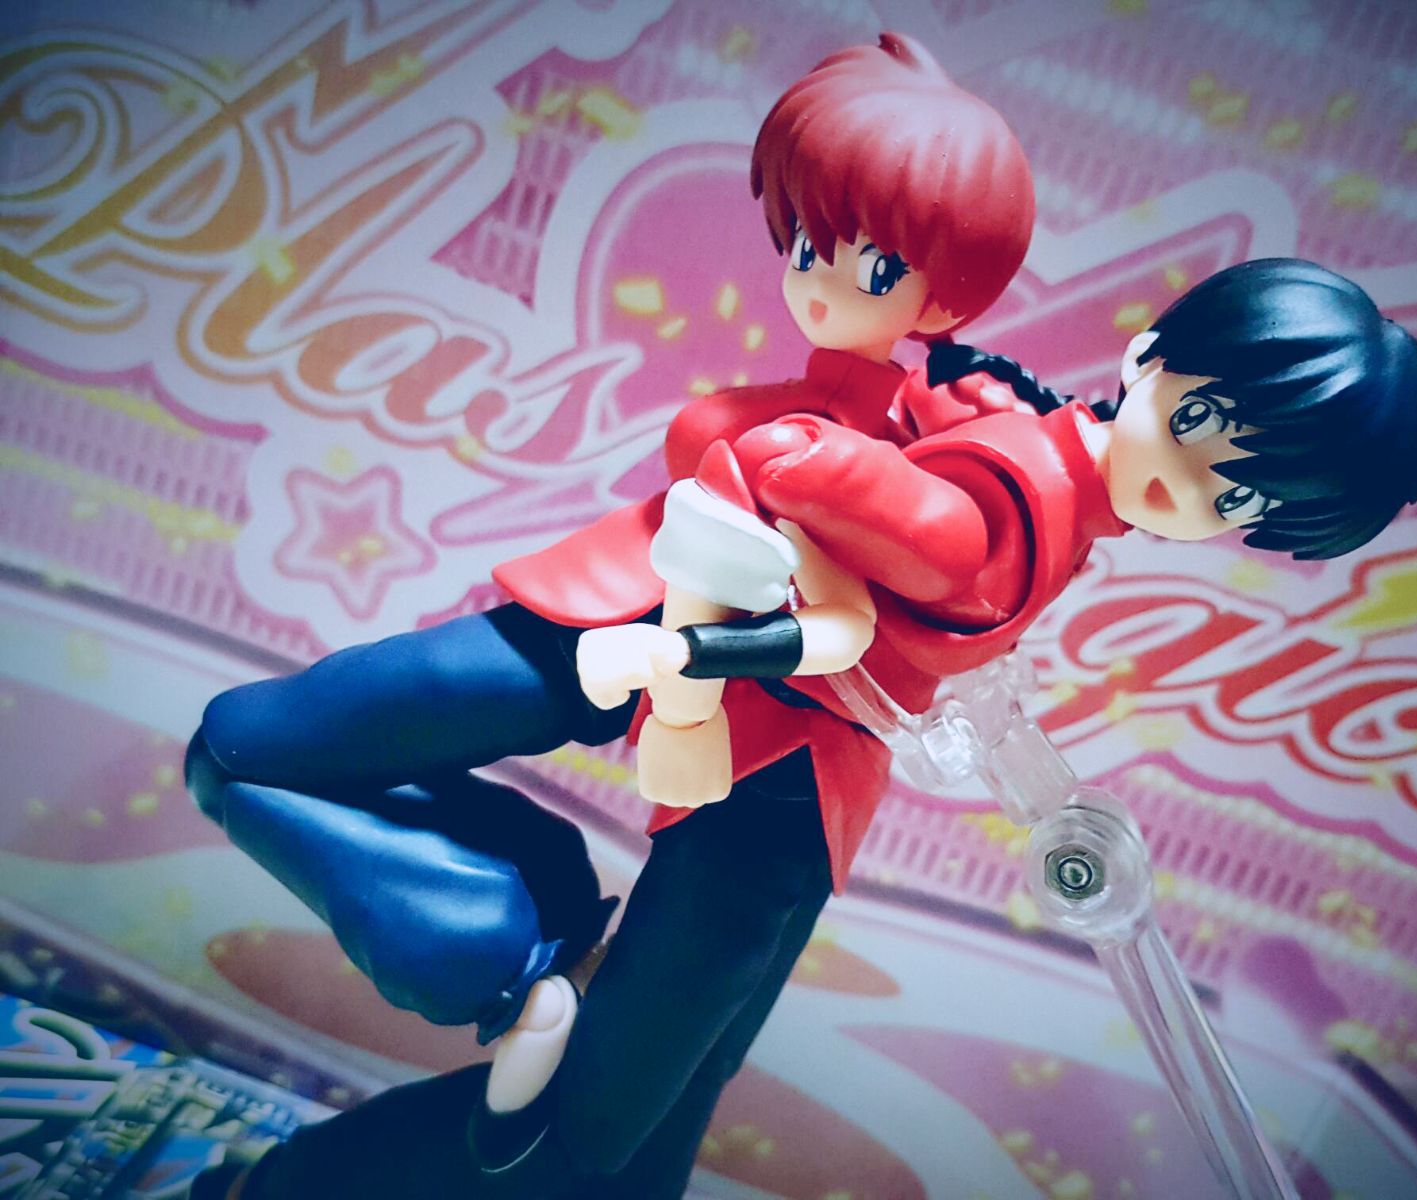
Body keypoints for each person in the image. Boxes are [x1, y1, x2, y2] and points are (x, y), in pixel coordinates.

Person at [186, 32, 1037, 1199]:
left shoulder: (931, 460)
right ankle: (512, 938)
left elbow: (885, 599)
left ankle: (291, 1174)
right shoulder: (845, 421)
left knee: (621, 1132)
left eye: (873, 269)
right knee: (240, 746)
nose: (819, 282)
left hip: (777, 751)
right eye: (806, 243)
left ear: (942, 295)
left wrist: (719, 640)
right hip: (608, 625)